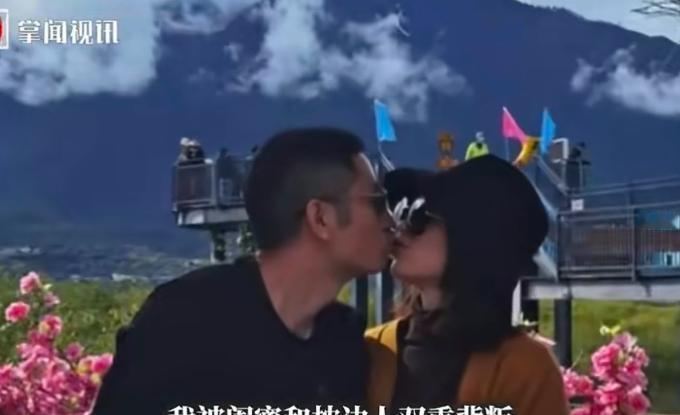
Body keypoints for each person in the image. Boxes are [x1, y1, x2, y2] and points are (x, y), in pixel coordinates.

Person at [93, 128, 394, 414]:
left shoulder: (342, 338)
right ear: (321, 218)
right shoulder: (184, 320)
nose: (391, 220)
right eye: (378, 203)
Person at [365, 155, 568, 415]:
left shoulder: (526, 368)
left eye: (418, 215)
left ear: (473, 240)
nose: (399, 227)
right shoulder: (372, 348)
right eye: (401, 212)